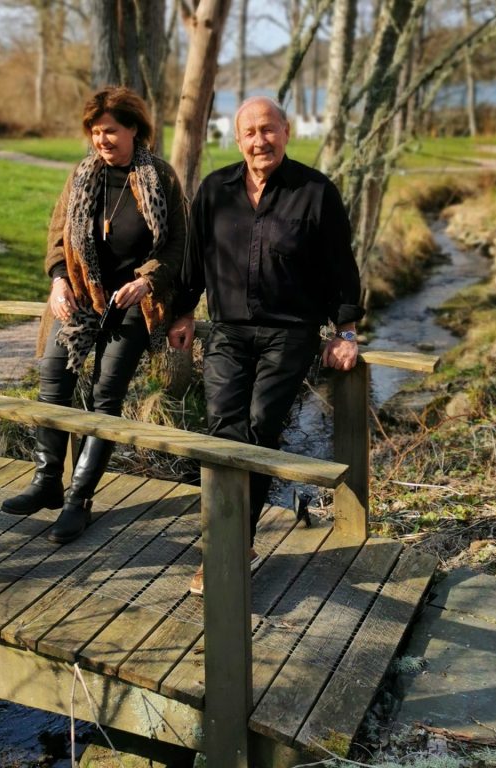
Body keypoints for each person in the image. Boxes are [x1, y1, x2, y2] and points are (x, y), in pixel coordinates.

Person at [168, 97, 363, 595]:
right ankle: (231, 541)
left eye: (268, 129)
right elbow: (194, 258)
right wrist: (185, 311)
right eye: (250, 132)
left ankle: (231, 546)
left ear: (286, 130)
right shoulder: (215, 190)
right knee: (222, 433)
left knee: (259, 428)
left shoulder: (316, 192)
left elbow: (341, 266)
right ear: (237, 140)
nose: (260, 140)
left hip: (290, 332)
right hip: (228, 331)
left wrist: (344, 331)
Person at [1, 86, 187, 545]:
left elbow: (178, 246)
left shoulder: (159, 177)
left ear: (135, 130)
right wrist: (59, 280)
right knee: (52, 382)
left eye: (112, 131)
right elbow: (57, 234)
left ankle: (78, 501)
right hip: (80, 299)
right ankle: (47, 482)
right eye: (96, 132)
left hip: (130, 306)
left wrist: (148, 279)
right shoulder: (81, 175)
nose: (103, 140)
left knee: (104, 398)